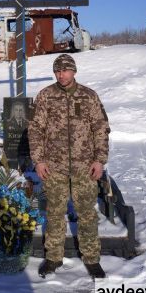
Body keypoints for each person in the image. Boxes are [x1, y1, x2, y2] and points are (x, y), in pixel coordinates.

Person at [28, 53, 110, 279]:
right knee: (54, 213)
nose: (61, 74)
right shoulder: (46, 96)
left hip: (85, 166)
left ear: (74, 71)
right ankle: (53, 257)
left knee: (87, 214)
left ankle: (92, 259)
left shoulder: (88, 96)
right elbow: (35, 129)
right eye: (57, 70)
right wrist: (39, 160)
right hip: (54, 167)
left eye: (65, 70)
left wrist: (99, 160)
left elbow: (101, 129)